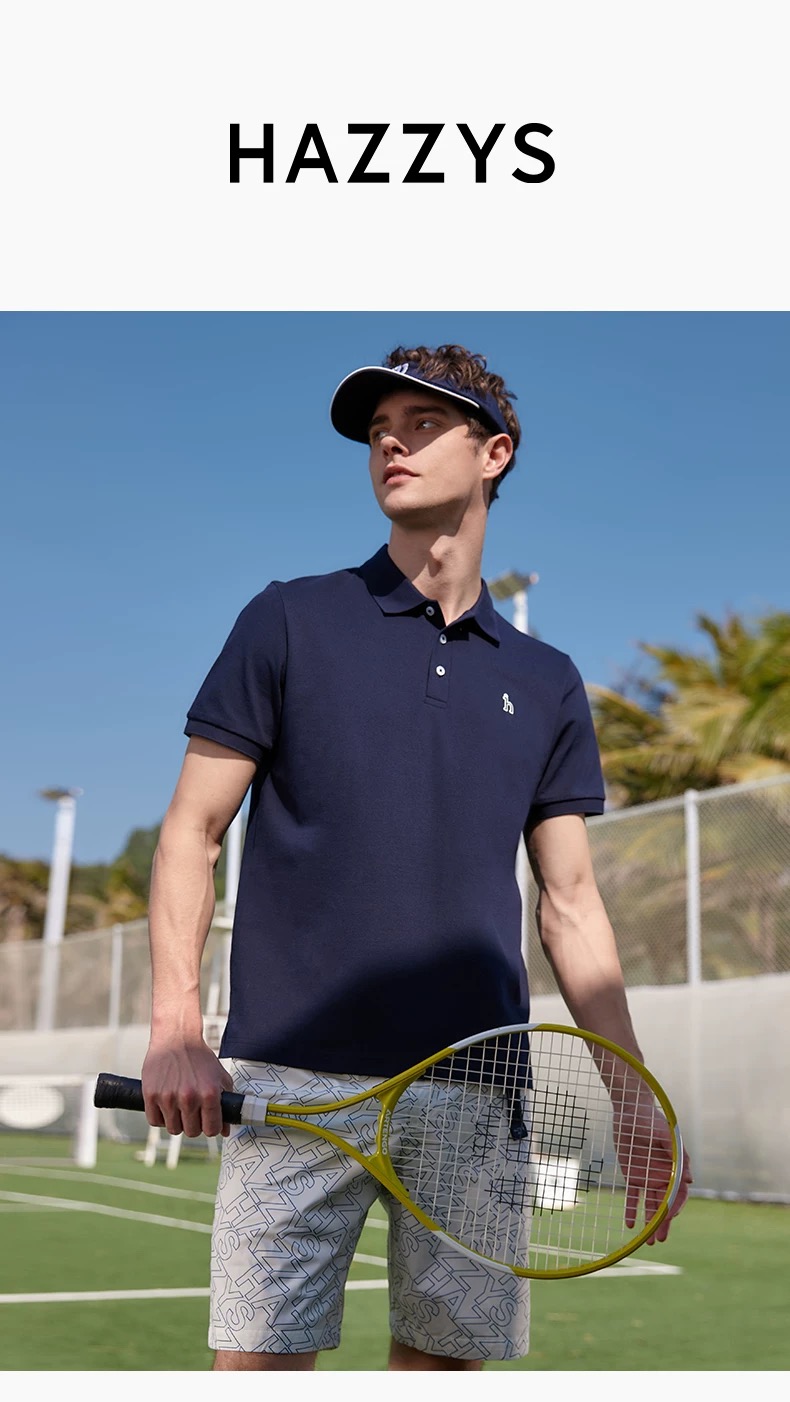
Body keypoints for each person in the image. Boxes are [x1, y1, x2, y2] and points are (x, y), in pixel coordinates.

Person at [141, 343, 692, 1372]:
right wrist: (176, 1027)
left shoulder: (548, 679)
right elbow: (190, 831)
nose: (391, 443)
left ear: (494, 453)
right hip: (292, 1079)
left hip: (477, 1085)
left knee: (442, 1374)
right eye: (378, 430)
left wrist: (631, 1092)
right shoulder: (288, 618)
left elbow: (570, 902)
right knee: (254, 1371)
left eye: (423, 423)